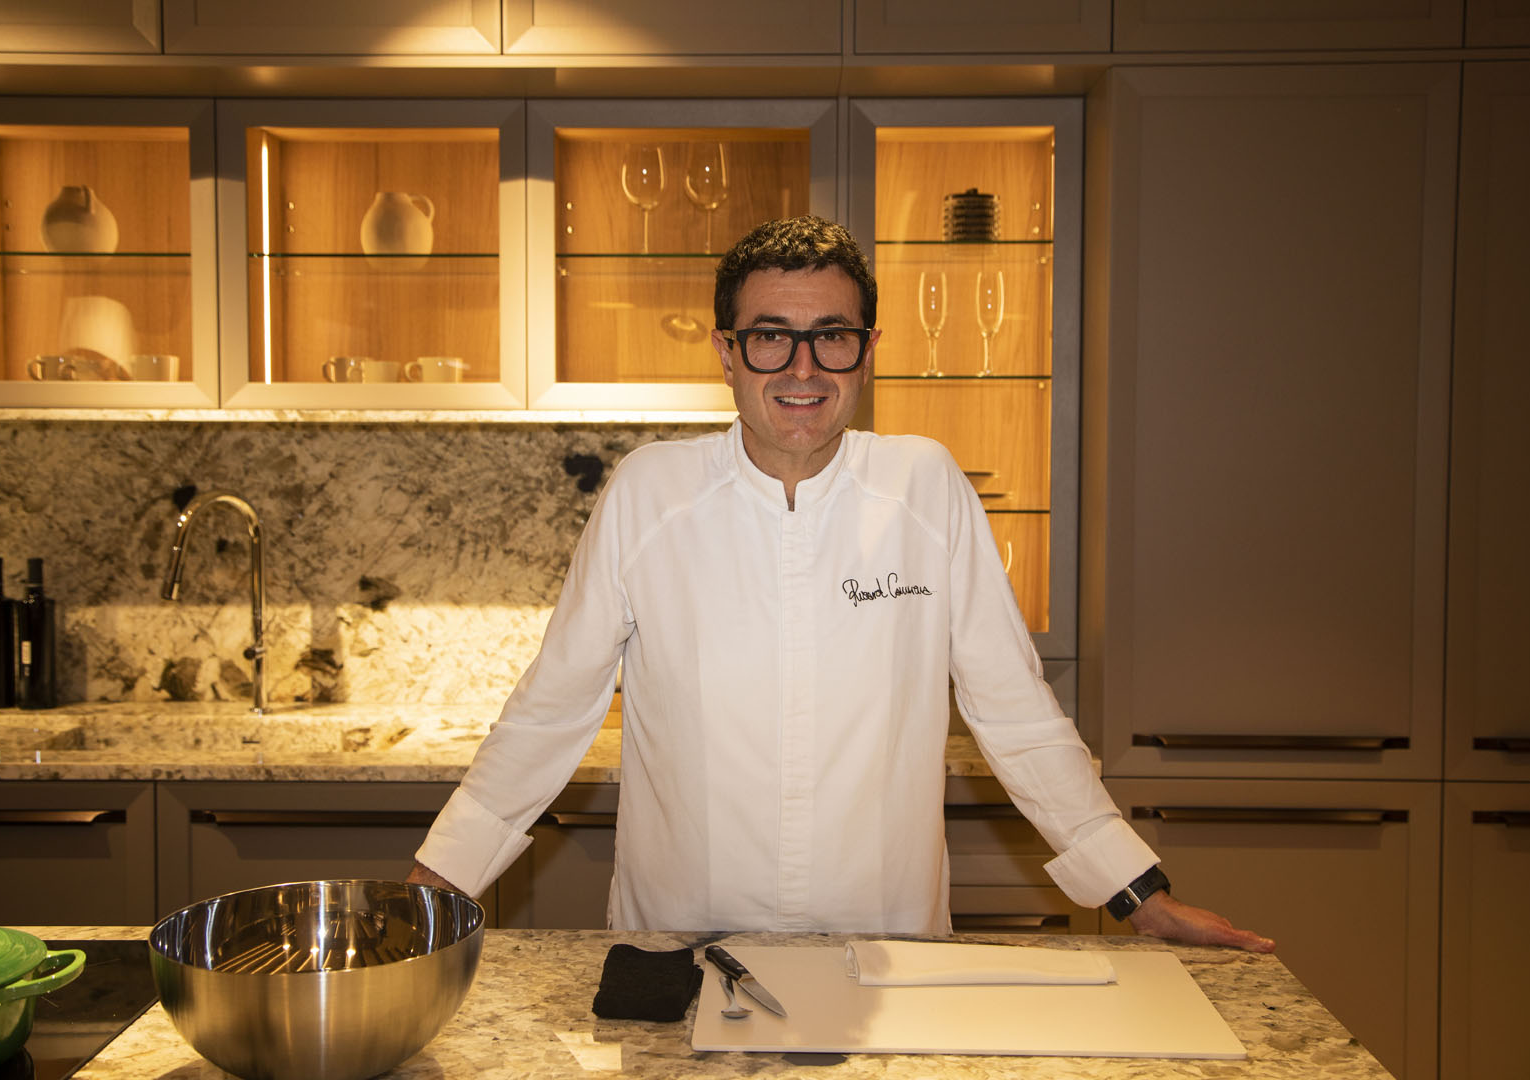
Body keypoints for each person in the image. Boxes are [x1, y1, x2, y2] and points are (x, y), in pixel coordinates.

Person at [409, 216, 1274, 953]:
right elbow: (552, 709)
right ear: (726, 352)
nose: (803, 368)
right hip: (685, 944)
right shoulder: (650, 495)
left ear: (867, 352)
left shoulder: (924, 488)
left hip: (886, 944)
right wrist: (433, 884)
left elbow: (1014, 709)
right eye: (769, 336)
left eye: (832, 335)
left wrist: (1138, 893)